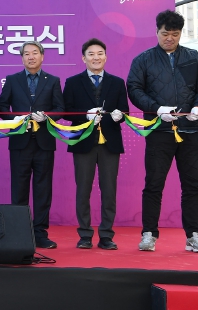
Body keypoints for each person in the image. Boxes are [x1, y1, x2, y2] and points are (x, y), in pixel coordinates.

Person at [127, 10, 198, 253]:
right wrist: (156, 109)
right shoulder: (144, 60)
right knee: (154, 183)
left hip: (190, 130)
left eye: (175, 34)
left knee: (193, 183)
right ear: (157, 31)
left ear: (180, 34)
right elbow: (134, 88)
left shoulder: (194, 58)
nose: (170, 38)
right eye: (165, 33)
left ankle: (193, 235)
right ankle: (149, 234)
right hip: (159, 131)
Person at [63, 39, 128, 250]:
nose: (96, 57)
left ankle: (106, 235)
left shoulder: (117, 82)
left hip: (110, 143)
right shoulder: (73, 82)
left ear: (106, 57)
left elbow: (124, 111)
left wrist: (119, 115)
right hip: (83, 141)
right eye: (91, 54)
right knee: (83, 190)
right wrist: (86, 115)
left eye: (100, 53)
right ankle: (84, 234)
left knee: (109, 190)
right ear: (84, 58)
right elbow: (66, 112)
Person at [0, 40, 64, 249]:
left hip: (44, 143)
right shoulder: (13, 80)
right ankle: (19, 232)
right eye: (26, 53)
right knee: (19, 189)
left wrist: (47, 117)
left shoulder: (52, 80)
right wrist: (16, 119)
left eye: (35, 53)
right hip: (20, 142)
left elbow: (60, 109)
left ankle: (40, 233)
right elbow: (2, 107)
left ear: (42, 56)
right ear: (22, 58)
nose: (31, 56)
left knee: (43, 189)